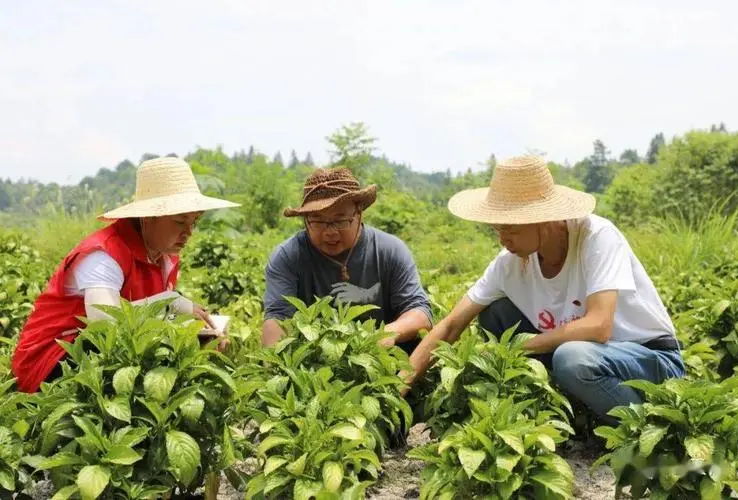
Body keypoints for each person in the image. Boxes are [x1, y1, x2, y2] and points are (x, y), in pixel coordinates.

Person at [400, 155, 684, 424]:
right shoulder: (509, 263)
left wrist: (516, 347)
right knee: (496, 314)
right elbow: (451, 325)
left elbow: (599, 326)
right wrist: (399, 388)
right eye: (497, 229)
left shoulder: (596, 237)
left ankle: (645, 428)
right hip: (586, 357)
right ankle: (570, 412)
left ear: (543, 220)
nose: (503, 240)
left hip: (648, 359)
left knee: (572, 359)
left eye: (510, 228)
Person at [12, 156, 240, 393]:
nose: (188, 232)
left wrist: (198, 334)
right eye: (180, 222)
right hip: (50, 364)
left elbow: (149, 320)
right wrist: (170, 303)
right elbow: (103, 323)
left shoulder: (165, 256)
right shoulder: (104, 253)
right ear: (148, 217)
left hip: (104, 362)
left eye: (194, 222)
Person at [261, 166, 432, 355]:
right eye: (317, 221)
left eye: (340, 220)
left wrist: (381, 336)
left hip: (387, 366)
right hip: (316, 370)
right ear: (305, 220)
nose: (330, 231)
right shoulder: (287, 257)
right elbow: (278, 319)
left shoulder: (390, 250)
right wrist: (274, 368)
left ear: (359, 214)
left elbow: (420, 314)